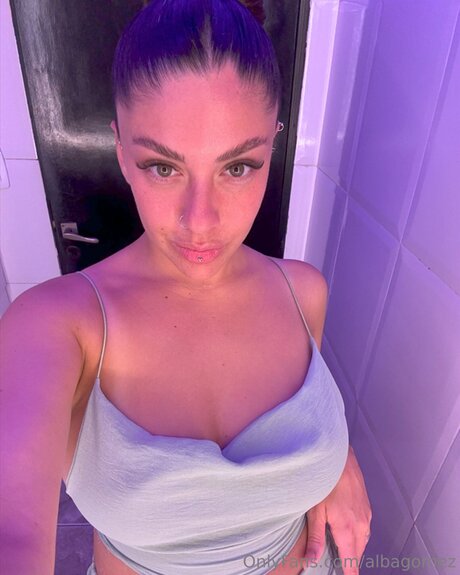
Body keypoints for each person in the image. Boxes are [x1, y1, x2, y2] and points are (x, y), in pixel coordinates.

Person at [0, 1, 372, 574]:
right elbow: (12, 534)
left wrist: (338, 459)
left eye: (238, 166)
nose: (200, 221)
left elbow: (307, 418)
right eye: (163, 167)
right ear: (121, 151)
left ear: (273, 146)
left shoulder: (303, 293)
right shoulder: (56, 324)